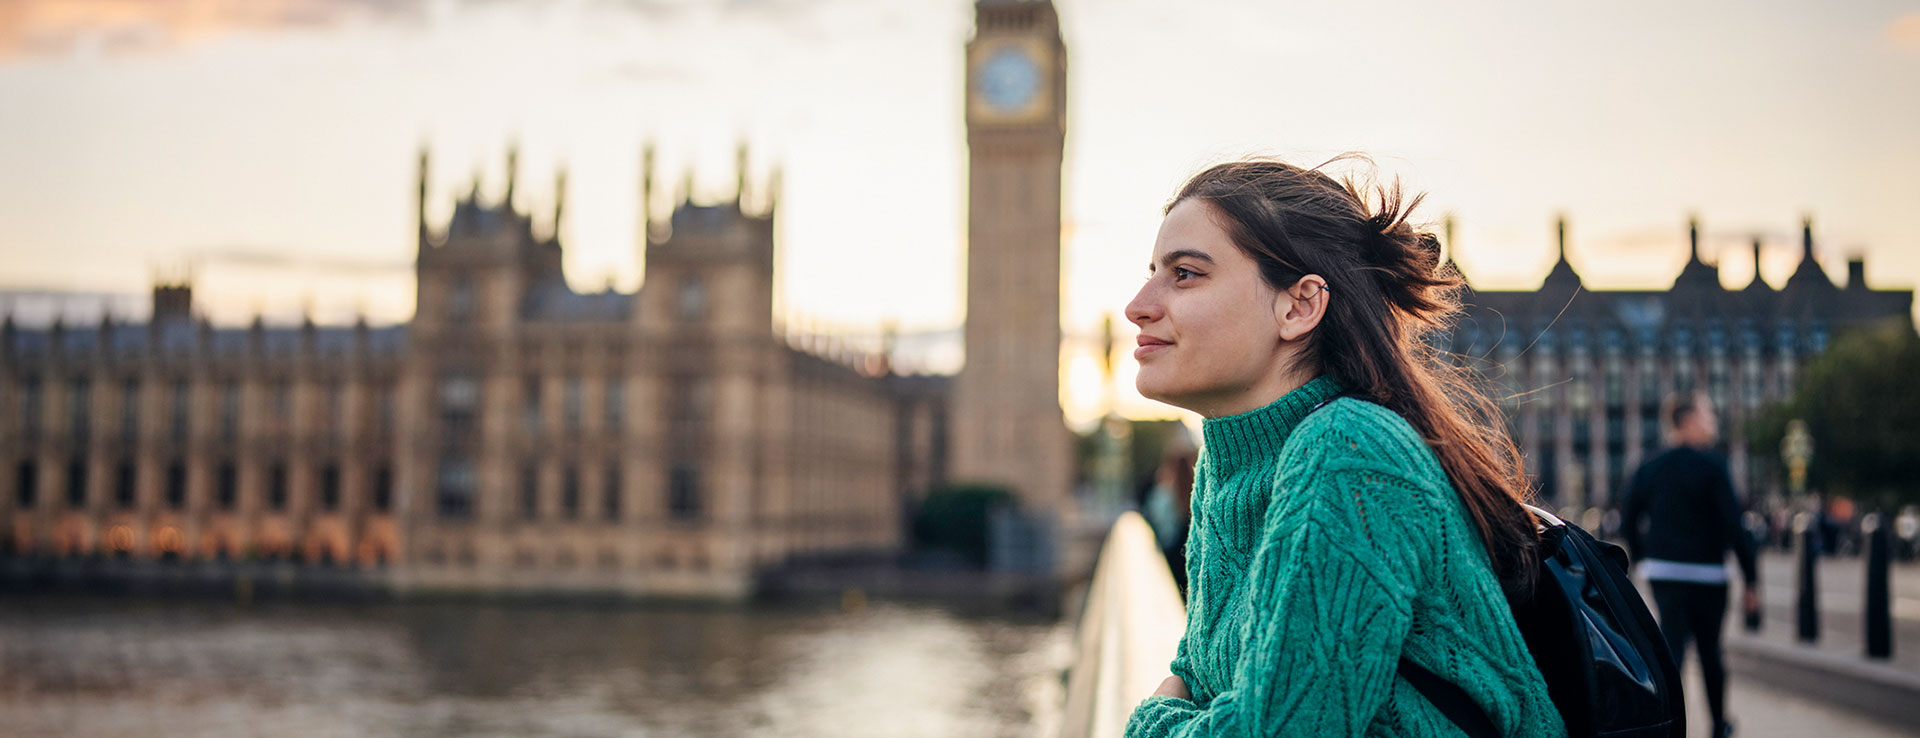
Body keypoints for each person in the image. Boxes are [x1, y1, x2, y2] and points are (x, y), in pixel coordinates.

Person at [1122, 158, 1566, 737]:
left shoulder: (1349, 451)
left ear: (1300, 306)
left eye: (1184, 274)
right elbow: (1202, 673)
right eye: (1153, 271)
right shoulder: (1227, 467)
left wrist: (1149, 725)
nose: (1138, 304)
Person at [1621, 391, 1759, 738]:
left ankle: (1666, 725)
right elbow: (1735, 526)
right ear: (1688, 421)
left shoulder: (1650, 465)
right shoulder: (1714, 466)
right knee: (1711, 653)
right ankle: (1718, 725)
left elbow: (1627, 518)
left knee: (1672, 652)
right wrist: (1751, 579)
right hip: (1709, 575)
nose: (1713, 421)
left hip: (1665, 572)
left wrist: (1642, 560)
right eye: (1707, 414)